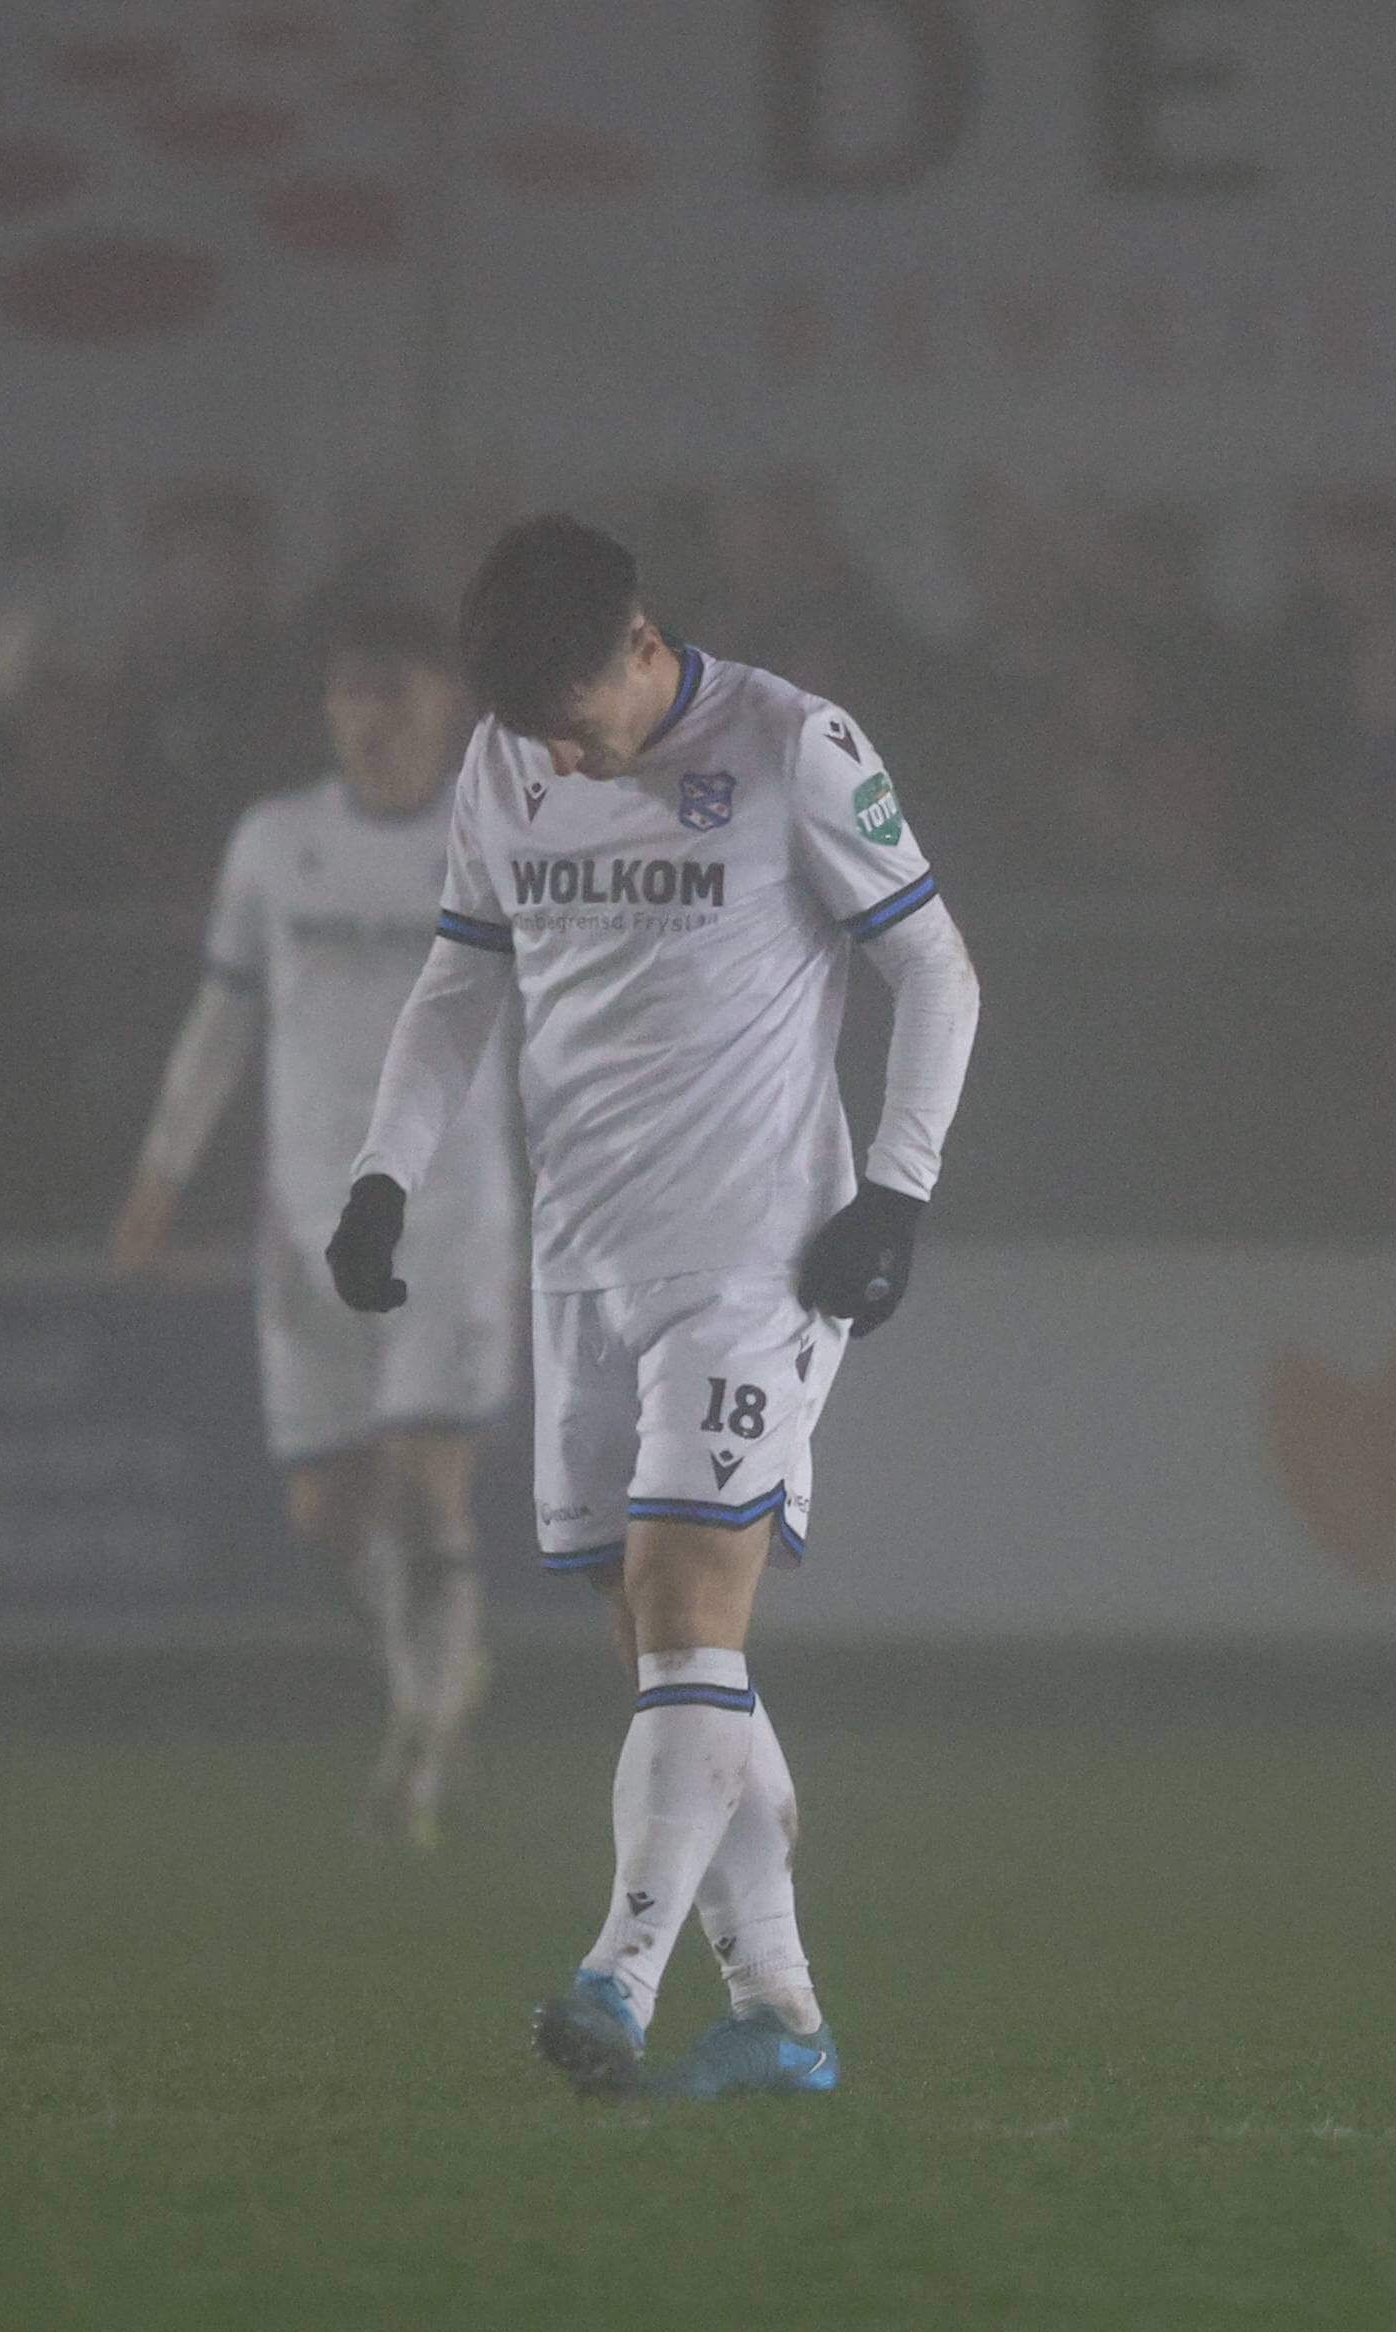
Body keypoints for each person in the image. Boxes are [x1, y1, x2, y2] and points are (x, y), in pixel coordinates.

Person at [327, 516, 980, 2101]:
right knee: (665, 1649)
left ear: (639, 641)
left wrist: (894, 1191)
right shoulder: (506, 758)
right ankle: (778, 2010)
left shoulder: (790, 744)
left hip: (757, 1257)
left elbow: (936, 970)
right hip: (581, 1262)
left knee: (688, 1605)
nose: (561, 757)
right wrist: (380, 1174)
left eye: (578, 722)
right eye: (534, 734)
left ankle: (612, 1978)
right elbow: (458, 982)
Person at [111, 599, 524, 1845]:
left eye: (394, 689)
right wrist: (160, 1171)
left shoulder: (504, 837)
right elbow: (223, 1017)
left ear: (450, 704)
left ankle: (422, 1741)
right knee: (328, 1513)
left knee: (424, 1484)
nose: (369, 716)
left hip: (449, 1210)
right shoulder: (275, 843)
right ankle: (437, 1668)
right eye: (351, 691)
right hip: (305, 1218)